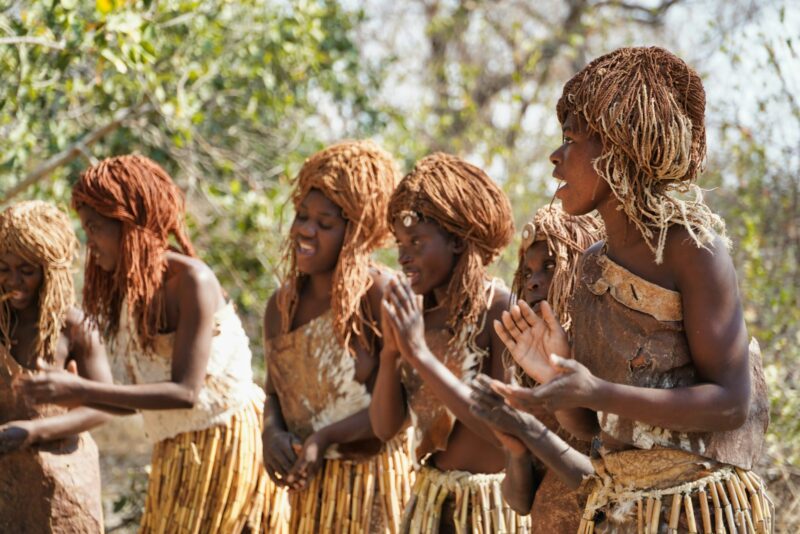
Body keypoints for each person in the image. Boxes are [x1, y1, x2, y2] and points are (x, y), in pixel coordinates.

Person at [480, 47, 771, 533]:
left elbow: (731, 402)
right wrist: (559, 380)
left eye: (571, 139)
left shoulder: (692, 249)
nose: (555, 157)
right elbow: (593, 428)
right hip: (618, 511)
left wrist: (597, 389)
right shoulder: (593, 264)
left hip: (692, 514)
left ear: (619, 147)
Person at [18, 155, 287, 533]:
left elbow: (185, 392)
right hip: (175, 451)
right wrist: (71, 395)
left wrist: (80, 388)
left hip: (225, 446)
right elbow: (136, 401)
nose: (90, 242)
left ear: (128, 223)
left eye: (95, 228)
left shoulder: (192, 280)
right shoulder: (131, 291)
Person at [372, 152, 531, 533]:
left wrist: (419, 355)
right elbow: (385, 428)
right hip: (431, 504)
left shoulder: (500, 311)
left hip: (491, 510)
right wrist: (393, 351)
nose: (403, 256)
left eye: (416, 241)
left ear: (457, 241)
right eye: (399, 242)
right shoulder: (415, 315)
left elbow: (502, 431)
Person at [262, 140, 413, 534]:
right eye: (301, 216)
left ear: (356, 231)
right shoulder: (282, 305)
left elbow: (402, 408)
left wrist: (325, 437)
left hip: (377, 490)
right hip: (311, 496)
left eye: (325, 224)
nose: (305, 231)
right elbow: (274, 393)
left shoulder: (382, 295)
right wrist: (272, 433)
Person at [493, 204, 603, 533]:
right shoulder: (527, 366)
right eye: (527, 273)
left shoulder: (602, 356)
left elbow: (604, 488)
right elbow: (519, 502)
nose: (534, 282)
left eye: (550, 266)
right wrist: (516, 450)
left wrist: (529, 431)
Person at [0, 200, 108, 533]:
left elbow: (104, 407)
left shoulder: (74, 327)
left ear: (51, 270)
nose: (13, 281)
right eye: (3, 267)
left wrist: (32, 432)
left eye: (27, 270)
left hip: (64, 485)